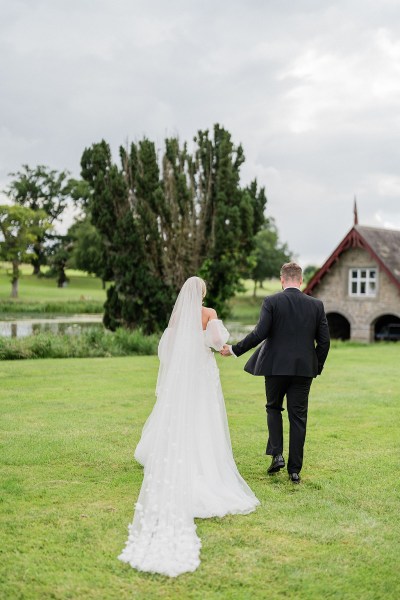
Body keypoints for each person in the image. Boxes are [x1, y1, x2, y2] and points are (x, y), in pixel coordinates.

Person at [118, 276, 259, 577]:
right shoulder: (208, 313)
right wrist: (221, 348)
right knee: (204, 418)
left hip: (183, 376)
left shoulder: (178, 315)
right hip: (203, 374)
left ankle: (172, 453)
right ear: (203, 293)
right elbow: (218, 342)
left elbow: (166, 348)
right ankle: (205, 465)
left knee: (181, 415)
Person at [220, 262, 330, 484]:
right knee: (298, 417)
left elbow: (260, 333)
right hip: (303, 370)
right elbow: (325, 342)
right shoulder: (316, 305)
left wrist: (234, 349)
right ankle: (295, 471)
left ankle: (277, 455)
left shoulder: (272, 301)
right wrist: (314, 366)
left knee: (273, 408)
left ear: (282, 280)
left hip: (275, 367)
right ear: (301, 280)